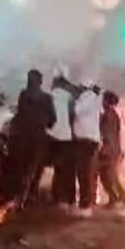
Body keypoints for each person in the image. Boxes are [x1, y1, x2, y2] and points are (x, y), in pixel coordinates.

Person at [10, 69, 56, 208]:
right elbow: (52, 119)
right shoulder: (47, 98)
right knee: (35, 167)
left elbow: (19, 114)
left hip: (22, 137)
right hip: (39, 137)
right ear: (41, 82)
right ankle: (31, 194)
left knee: (22, 167)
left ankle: (20, 195)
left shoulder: (23, 95)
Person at [72, 83, 102, 218]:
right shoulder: (95, 98)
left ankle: (85, 206)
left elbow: (78, 111)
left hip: (85, 141)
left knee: (84, 173)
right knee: (87, 173)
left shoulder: (87, 96)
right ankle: (87, 203)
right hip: (89, 140)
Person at [47, 76, 76, 210]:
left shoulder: (48, 97)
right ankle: (64, 199)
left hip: (50, 136)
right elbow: (73, 116)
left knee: (55, 167)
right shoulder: (70, 98)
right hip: (66, 137)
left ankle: (55, 195)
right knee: (65, 169)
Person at [98, 90, 125, 210]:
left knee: (111, 177)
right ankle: (115, 199)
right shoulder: (112, 114)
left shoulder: (108, 115)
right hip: (113, 150)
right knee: (106, 177)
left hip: (110, 151)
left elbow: (107, 134)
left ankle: (122, 200)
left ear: (106, 101)